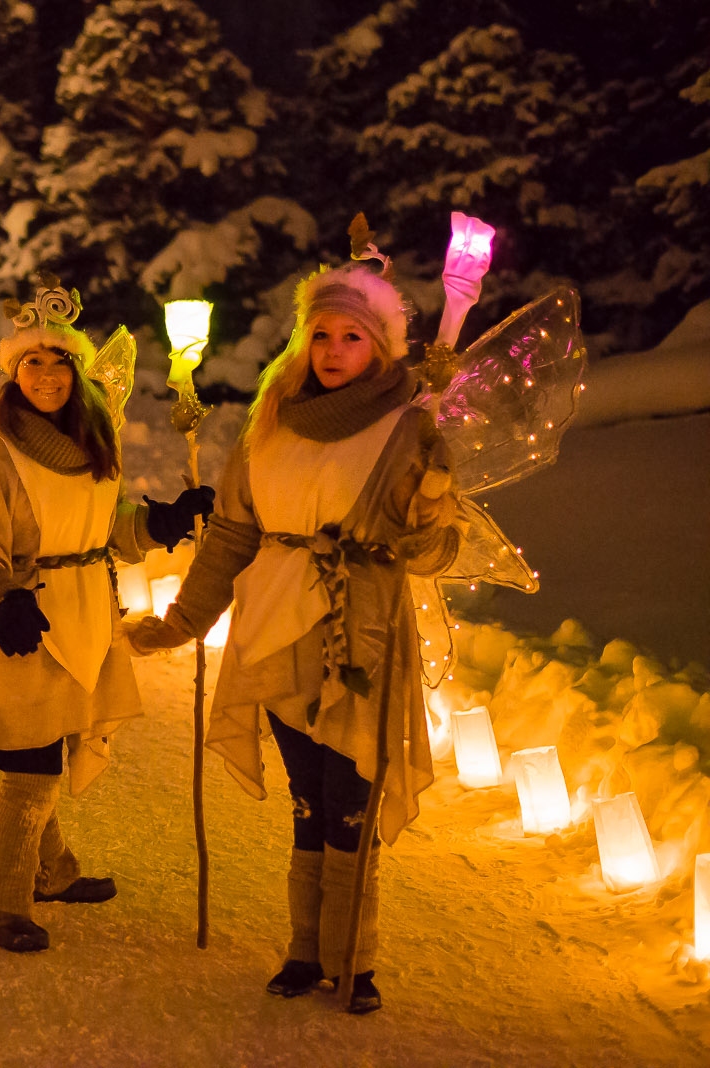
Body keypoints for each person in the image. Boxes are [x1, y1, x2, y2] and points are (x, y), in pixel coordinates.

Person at [129, 263, 461, 1014]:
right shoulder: (269, 424)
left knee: (352, 799)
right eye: (322, 336)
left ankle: (356, 959)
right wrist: (185, 619)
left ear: (380, 347)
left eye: (352, 336)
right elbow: (233, 536)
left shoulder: (409, 423)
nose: (334, 350)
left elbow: (434, 553)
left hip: (360, 636)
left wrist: (435, 505)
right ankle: (305, 951)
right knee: (308, 801)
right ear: (302, 343)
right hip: (275, 629)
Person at [0, 285, 214, 953]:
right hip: (19, 620)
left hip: (86, 614)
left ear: (78, 371)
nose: (48, 376)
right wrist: (2, 599)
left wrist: (161, 523)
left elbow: (109, 532)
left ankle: (52, 872)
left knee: (51, 748)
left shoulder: (94, 443)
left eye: (60, 362)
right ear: (13, 372)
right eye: (32, 363)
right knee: (30, 765)